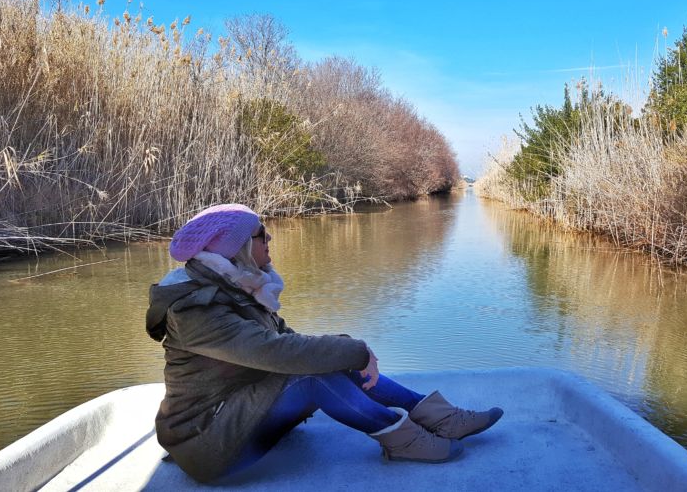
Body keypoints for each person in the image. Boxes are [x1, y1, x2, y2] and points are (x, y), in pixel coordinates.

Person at [145, 204, 503, 483]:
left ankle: (438, 418)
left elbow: (287, 341)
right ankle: (404, 441)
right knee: (314, 375)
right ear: (236, 247)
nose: (270, 240)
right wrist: (357, 350)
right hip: (206, 442)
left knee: (327, 359)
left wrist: (347, 349)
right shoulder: (196, 309)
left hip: (234, 419)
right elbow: (276, 353)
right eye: (262, 234)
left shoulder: (237, 288)